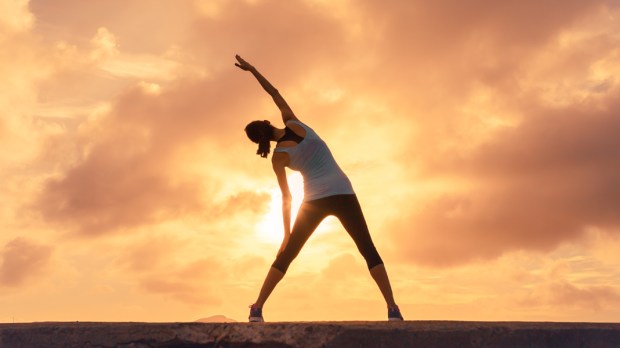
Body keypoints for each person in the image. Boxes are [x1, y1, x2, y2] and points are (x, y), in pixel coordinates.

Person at [235, 55, 403, 322]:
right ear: (268, 123)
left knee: (288, 254)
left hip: (314, 200)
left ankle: (257, 308)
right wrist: (253, 70)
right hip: (343, 191)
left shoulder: (278, 157)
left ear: (260, 141)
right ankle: (393, 308)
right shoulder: (293, 122)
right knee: (367, 247)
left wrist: (286, 234)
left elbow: (287, 198)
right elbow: (274, 92)